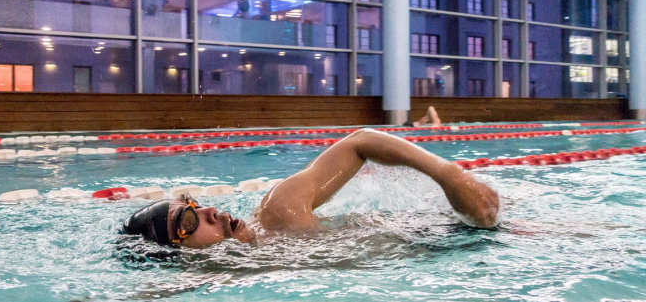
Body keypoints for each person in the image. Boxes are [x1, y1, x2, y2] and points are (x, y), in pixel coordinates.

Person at [122, 129, 499, 249]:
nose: (210, 211)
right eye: (189, 220)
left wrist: (449, 175)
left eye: (196, 205)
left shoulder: (280, 211)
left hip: (449, 233)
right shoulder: (206, 279)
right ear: (180, 257)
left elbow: (359, 142)